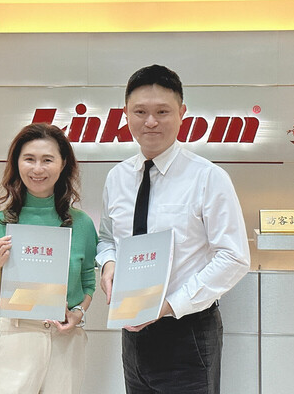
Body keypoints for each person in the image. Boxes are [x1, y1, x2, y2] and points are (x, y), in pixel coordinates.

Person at [97, 64, 250, 394]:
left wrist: (169, 305)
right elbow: (107, 238)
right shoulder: (117, 178)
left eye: (162, 112)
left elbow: (234, 258)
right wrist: (108, 264)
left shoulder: (208, 177)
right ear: (125, 115)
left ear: (182, 114)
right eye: (140, 112)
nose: (150, 121)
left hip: (187, 331)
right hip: (132, 330)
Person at [0, 123, 98, 394]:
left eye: (47, 160)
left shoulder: (82, 224)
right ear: (16, 163)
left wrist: (78, 313)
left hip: (65, 340)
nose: (38, 169)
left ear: (63, 163)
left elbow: (88, 282)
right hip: (14, 337)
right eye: (29, 159)